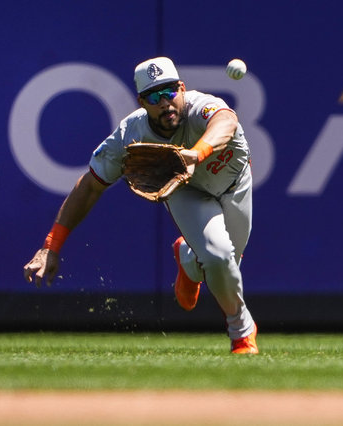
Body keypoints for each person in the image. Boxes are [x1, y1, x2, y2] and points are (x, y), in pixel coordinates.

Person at [23, 57, 258, 354]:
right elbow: (90, 186)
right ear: (141, 102)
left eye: (169, 91)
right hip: (187, 192)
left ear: (182, 89)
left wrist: (197, 154)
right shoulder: (130, 134)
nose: (165, 102)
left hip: (236, 184)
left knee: (226, 263)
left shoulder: (200, 106)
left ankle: (188, 258)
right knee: (218, 257)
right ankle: (242, 332)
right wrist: (51, 245)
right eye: (154, 96)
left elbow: (226, 122)